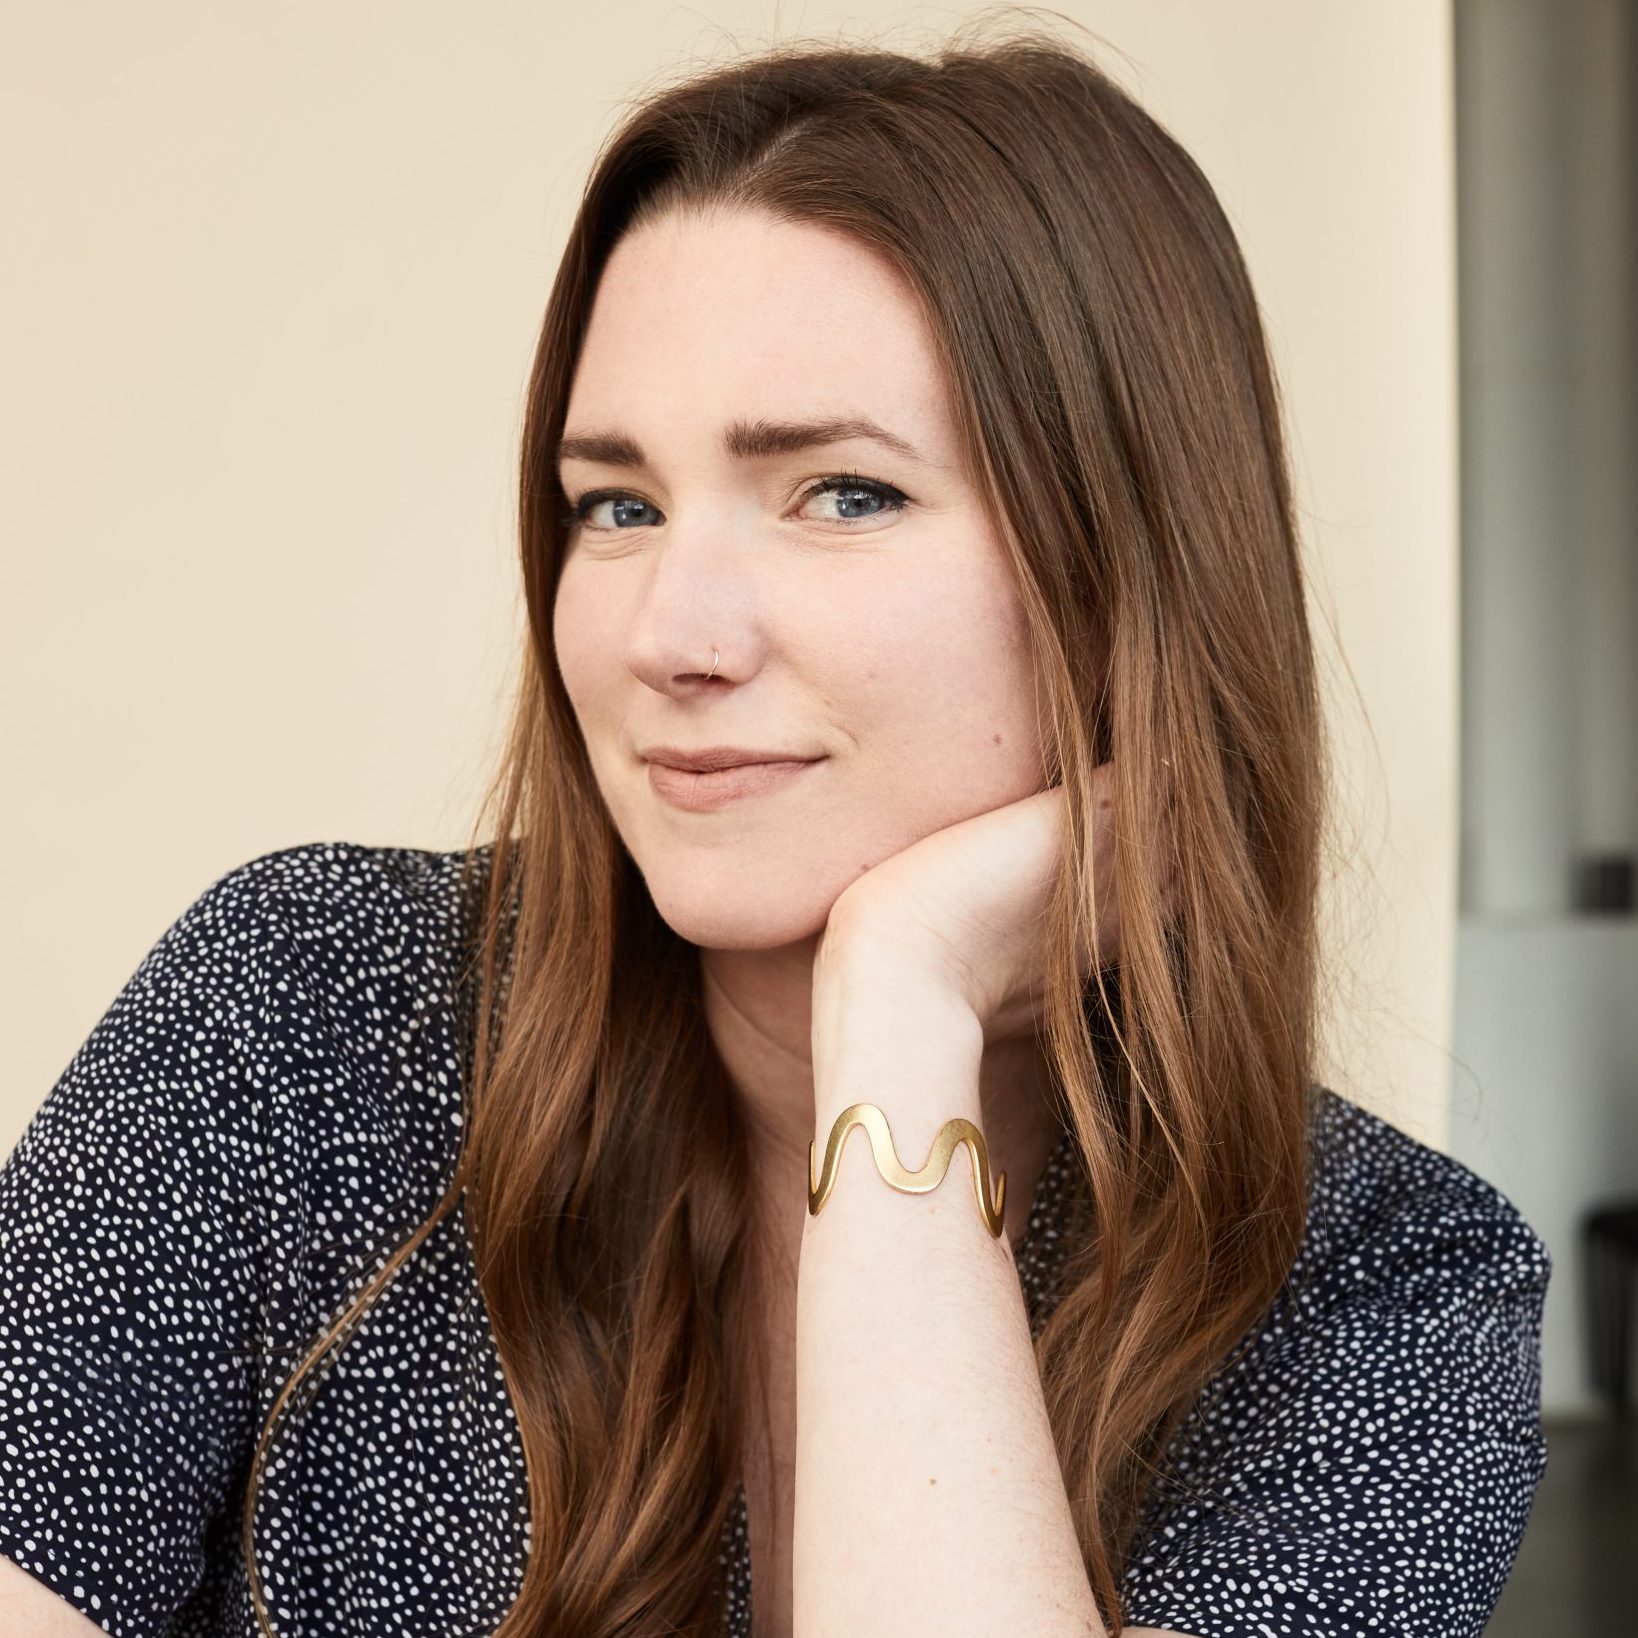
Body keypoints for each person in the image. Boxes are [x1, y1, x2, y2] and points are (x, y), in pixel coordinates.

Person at [0, 19, 1550, 1638]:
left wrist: (898, 1014)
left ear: (1122, 587)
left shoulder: (1383, 1291)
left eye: (842, 494)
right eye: (619, 505)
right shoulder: (309, 1013)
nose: (673, 632)